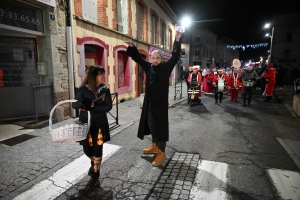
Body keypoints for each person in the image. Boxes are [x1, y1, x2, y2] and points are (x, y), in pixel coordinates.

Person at [124, 30, 183, 167]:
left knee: (160, 126)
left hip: (161, 104)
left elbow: (175, 56)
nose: (155, 61)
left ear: (161, 59)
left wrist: (177, 40)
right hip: (149, 102)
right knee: (151, 124)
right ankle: (155, 145)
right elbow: (138, 58)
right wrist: (132, 47)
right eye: (153, 58)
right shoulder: (149, 67)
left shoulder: (166, 67)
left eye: (157, 58)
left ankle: (161, 151)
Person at [72, 66, 113, 187]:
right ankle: (93, 162)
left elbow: (109, 106)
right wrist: (82, 103)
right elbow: (74, 105)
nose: (103, 77)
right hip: (86, 125)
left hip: (100, 125)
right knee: (87, 149)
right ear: (95, 76)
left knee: (97, 149)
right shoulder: (83, 89)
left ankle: (95, 174)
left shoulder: (105, 90)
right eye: (102, 75)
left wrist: (96, 107)